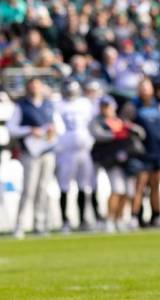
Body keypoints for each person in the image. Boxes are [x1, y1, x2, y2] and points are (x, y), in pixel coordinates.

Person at [8, 78, 63, 239]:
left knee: (43, 189)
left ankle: (40, 224)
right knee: (28, 190)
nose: (35, 88)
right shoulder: (22, 106)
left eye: (37, 85)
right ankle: (20, 225)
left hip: (47, 150)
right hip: (30, 152)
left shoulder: (48, 104)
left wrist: (52, 130)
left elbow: (60, 127)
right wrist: (29, 130)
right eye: (32, 86)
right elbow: (12, 128)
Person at [123, 78, 160, 227]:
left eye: (147, 88)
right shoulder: (133, 106)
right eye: (142, 88)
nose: (145, 91)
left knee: (155, 186)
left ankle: (156, 215)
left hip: (158, 151)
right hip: (141, 153)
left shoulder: (159, 105)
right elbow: (124, 124)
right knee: (139, 186)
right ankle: (135, 215)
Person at [90, 95, 146, 232]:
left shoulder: (120, 121)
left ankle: (119, 218)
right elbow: (97, 134)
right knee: (117, 189)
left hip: (125, 160)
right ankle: (109, 219)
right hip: (110, 160)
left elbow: (140, 133)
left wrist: (128, 130)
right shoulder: (98, 122)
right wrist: (115, 134)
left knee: (128, 192)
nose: (106, 109)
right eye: (104, 107)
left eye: (108, 106)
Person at [54, 80, 97, 232]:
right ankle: (65, 220)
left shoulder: (85, 103)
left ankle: (84, 218)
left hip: (84, 150)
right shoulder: (58, 105)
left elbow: (92, 123)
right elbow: (57, 127)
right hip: (66, 151)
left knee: (85, 185)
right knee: (64, 186)